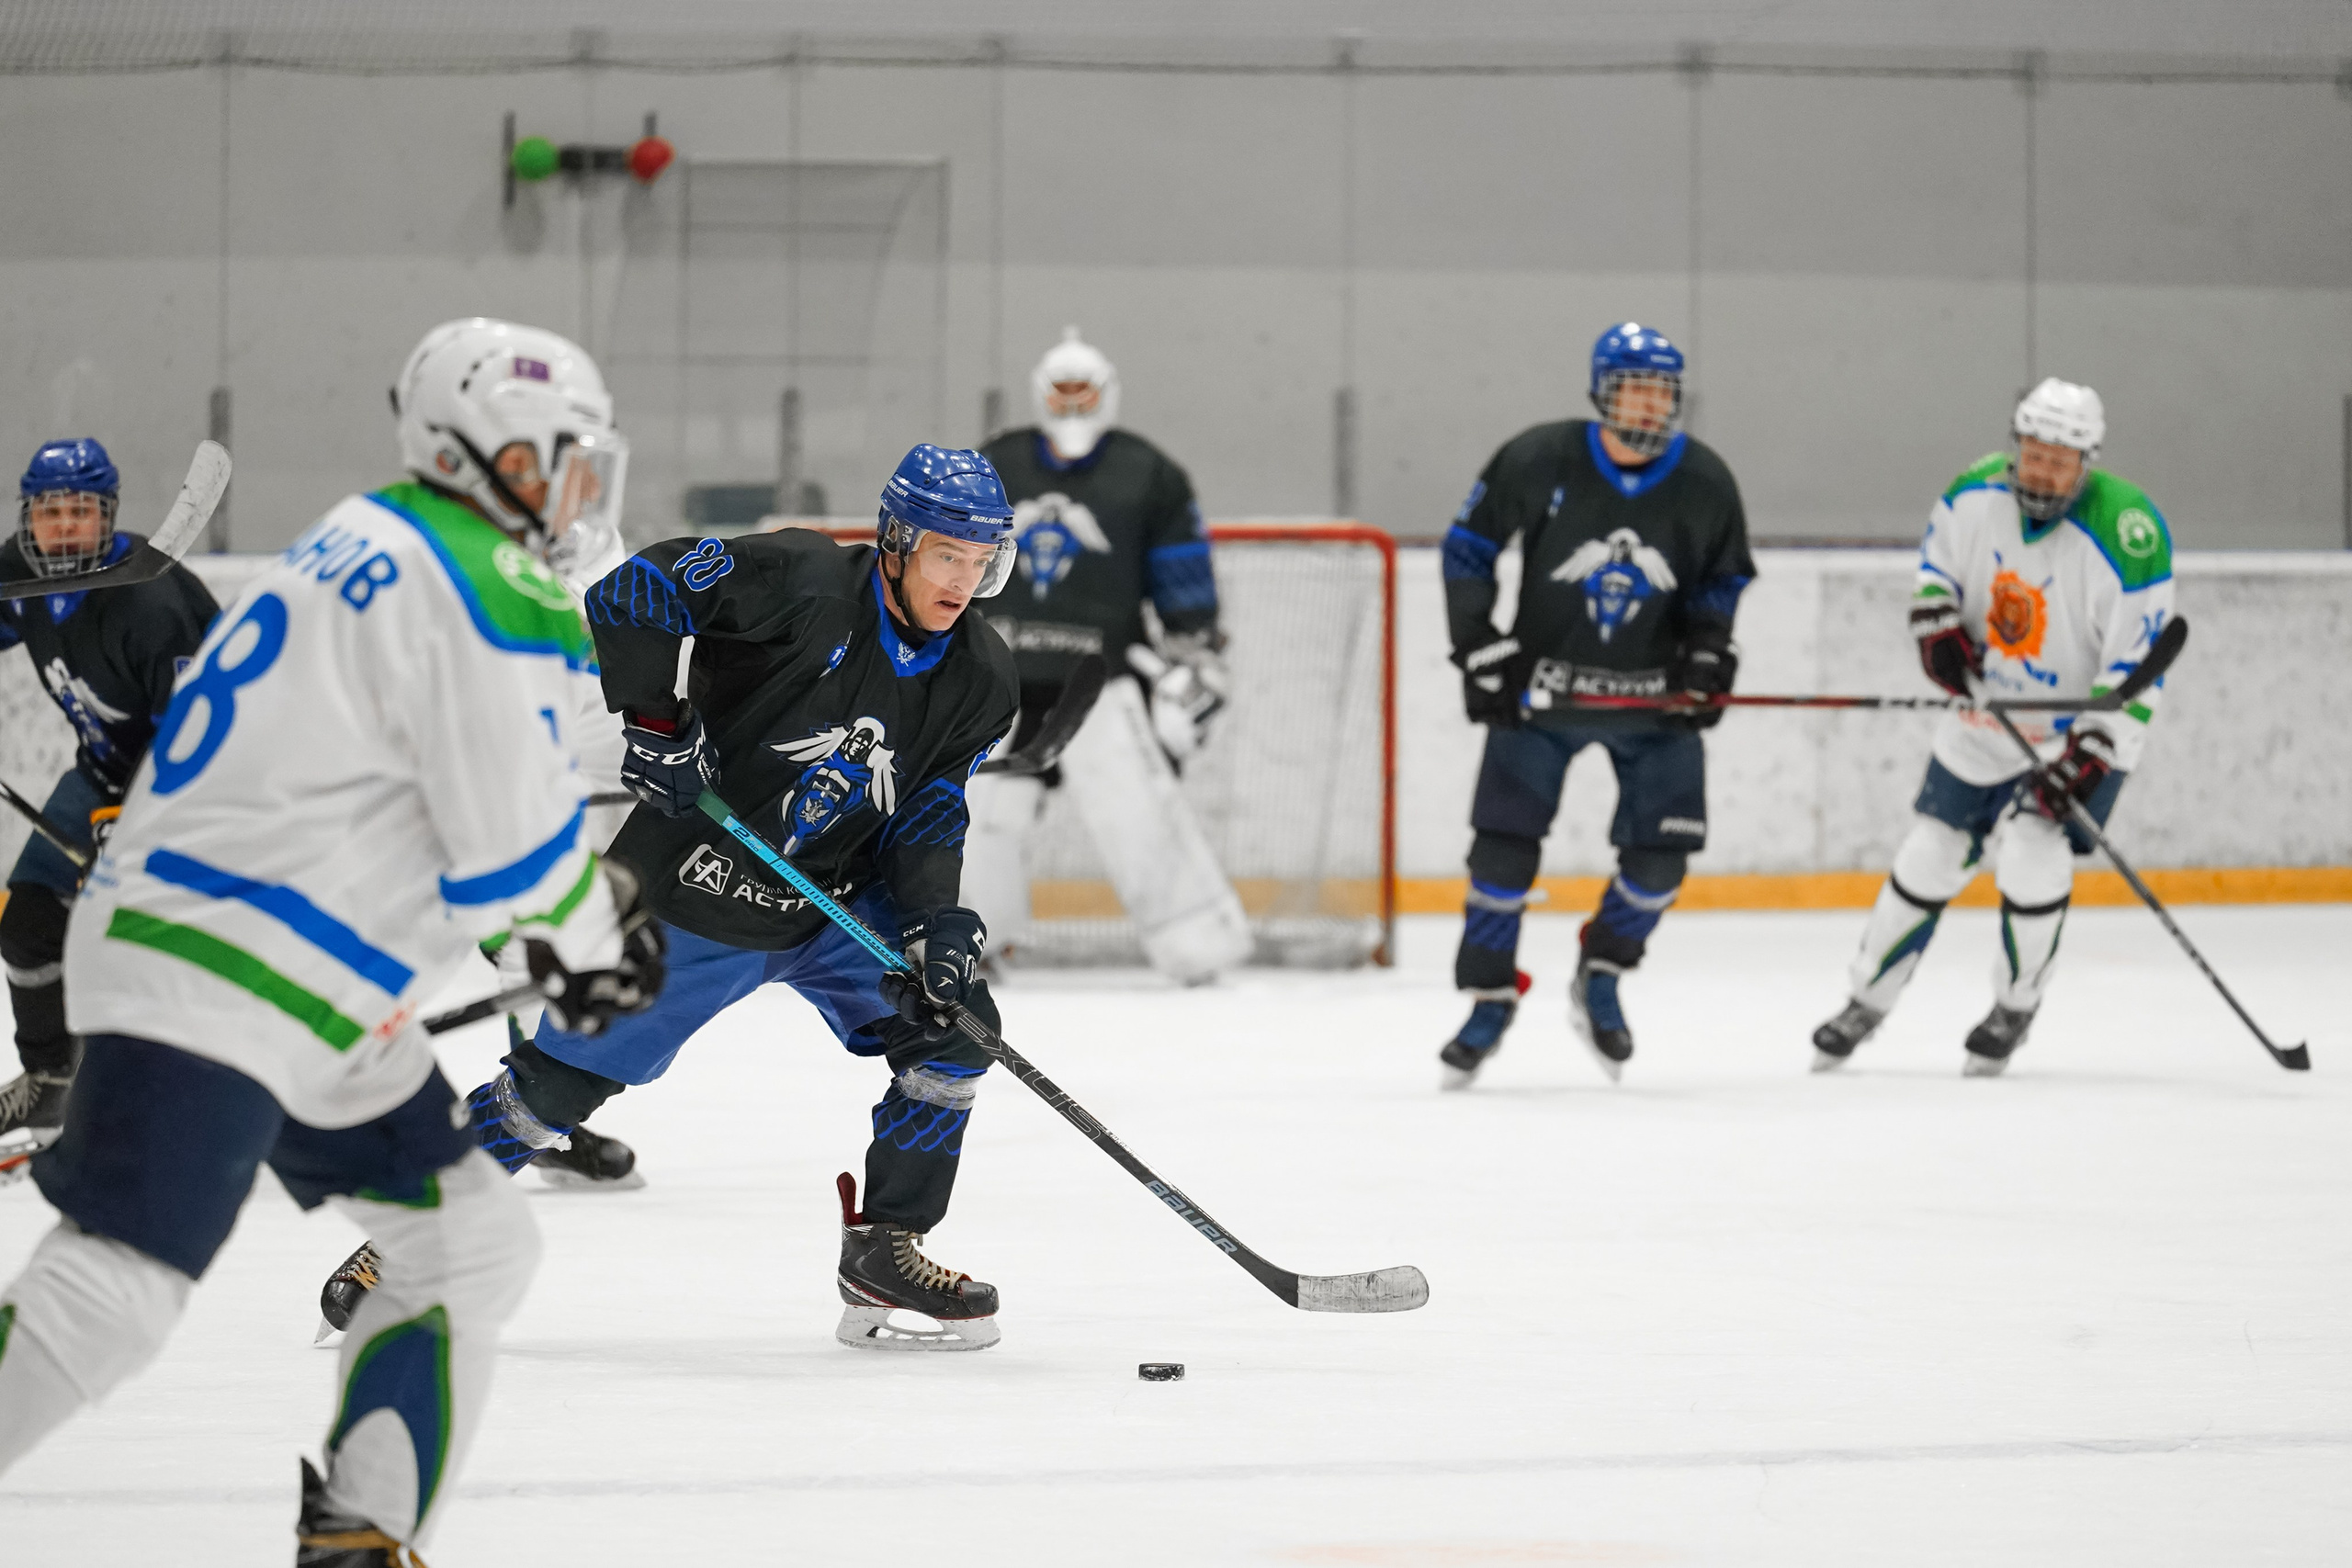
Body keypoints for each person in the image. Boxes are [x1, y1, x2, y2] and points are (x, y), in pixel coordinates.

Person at [0, 317, 665, 1565]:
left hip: (289, 976)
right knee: (121, 1283)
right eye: (556, 455)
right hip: (225, 963)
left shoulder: (373, 532)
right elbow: (509, 852)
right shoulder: (488, 576)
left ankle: (361, 1535)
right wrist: (586, 937)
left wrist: (564, 923)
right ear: (484, 451)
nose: (579, 483)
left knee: (470, 1237)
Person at [326, 443, 1023, 1353]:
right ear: (894, 542)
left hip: (835, 903)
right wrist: (658, 721)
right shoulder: (803, 576)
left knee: (958, 1025)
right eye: (946, 556)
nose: (963, 582)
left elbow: (931, 804)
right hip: (702, 889)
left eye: (981, 562)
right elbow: (639, 591)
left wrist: (936, 922)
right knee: (554, 1088)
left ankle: (885, 1245)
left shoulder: (981, 674)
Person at [1811, 378, 2174, 1076]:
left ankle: (2016, 1004)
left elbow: (2139, 660)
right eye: (2033, 454)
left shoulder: (2130, 531)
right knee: (1930, 850)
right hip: (1987, 710)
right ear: (2018, 446)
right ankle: (1865, 1000)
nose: (2041, 471)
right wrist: (1936, 626)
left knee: (2034, 849)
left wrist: (2094, 749)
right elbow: (1934, 576)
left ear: (2086, 462)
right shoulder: (1972, 493)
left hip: (2083, 727)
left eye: (2059, 460)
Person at [1436, 322, 1755, 1087]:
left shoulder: (1706, 478)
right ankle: (1489, 996)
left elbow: (1722, 580)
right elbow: (1469, 548)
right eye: (1635, 388)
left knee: (1661, 862)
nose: (1650, 405)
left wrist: (1711, 649)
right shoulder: (1539, 457)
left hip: (1654, 705)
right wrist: (1480, 646)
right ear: (1602, 392)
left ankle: (1602, 970)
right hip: (1539, 697)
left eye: (1662, 391)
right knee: (1500, 855)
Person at [968, 326, 1249, 983]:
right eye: (1060, 391)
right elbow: (948, 558)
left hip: (1100, 682)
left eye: (1083, 391)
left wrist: (1195, 649)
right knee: (979, 812)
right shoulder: (996, 463)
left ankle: (1198, 945)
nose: (1071, 404)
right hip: (994, 676)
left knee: (1136, 810)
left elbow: (1183, 575)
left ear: (1107, 393)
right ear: (1040, 393)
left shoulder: (1147, 472)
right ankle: (971, 939)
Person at [0, 438, 218, 1174]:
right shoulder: (18, 570)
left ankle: (177, 1110)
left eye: (79, 512)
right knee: (27, 919)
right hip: (100, 773)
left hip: (197, 791)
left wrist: (141, 822)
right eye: (49, 511)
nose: (63, 526)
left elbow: (201, 738)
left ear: (109, 517)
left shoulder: (153, 602)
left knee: (146, 956)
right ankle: (51, 1080)